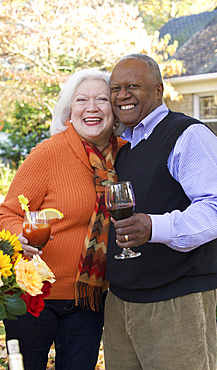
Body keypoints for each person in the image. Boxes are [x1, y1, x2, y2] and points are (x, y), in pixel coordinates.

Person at [103, 54, 217, 370]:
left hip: (175, 303)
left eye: (133, 86)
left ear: (159, 89)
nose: (122, 95)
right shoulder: (126, 144)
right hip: (122, 303)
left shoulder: (187, 135)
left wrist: (155, 227)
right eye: (116, 88)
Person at [0, 68, 125, 370]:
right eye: (81, 100)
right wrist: (21, 237)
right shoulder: (48, 153)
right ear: (70, 109)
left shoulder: (125, 155)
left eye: (101, 99)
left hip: (88, 297)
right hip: (33, 294)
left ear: (115, 108)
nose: (91, 108)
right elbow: (8, 213)